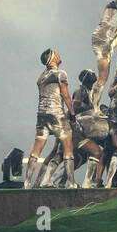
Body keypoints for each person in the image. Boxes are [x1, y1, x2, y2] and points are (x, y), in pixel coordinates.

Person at [25, 49, 76, 188]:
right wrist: (72, 114)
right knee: (67, 147)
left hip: (41, 115)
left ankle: (27, 183)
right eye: (56, 54)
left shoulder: (41, 77)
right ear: (52, 58)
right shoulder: (60, 73)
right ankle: (71, 183)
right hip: (56, 115)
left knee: (37, 149)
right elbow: (65, 95)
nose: (59, 55)